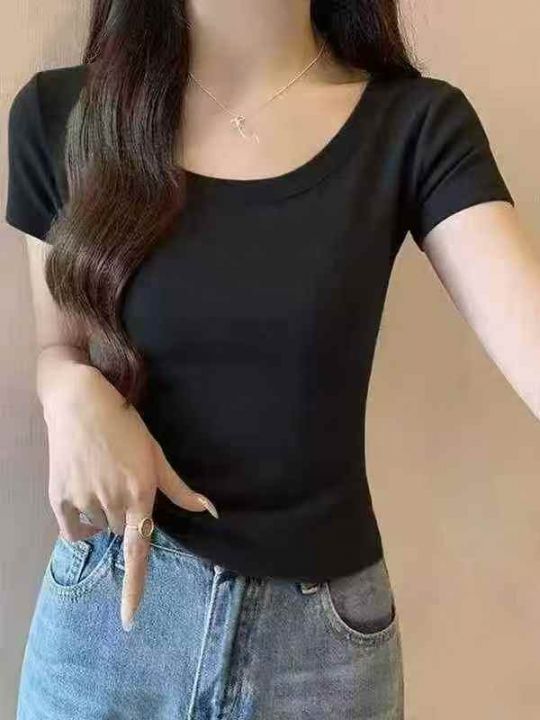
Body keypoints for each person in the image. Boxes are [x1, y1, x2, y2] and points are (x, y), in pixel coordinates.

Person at [5, 1, 532, 718]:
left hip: (322, 655)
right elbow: (59, 347)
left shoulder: (414, 126)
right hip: (107, 625)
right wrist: (70, 391)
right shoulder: (59, 115)